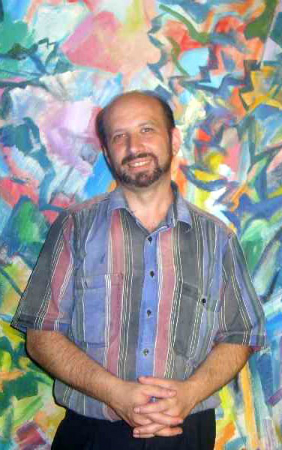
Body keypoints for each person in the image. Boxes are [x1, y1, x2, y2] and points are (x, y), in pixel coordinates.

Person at [11, 91, 266, 450]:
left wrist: (190, 393)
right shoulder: (75, 227)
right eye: (120, 136)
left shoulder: (217, 238)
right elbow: (41, 336)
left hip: (186, 434)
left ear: (173, 139)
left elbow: (241, 335)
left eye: (147, 129)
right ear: (107, 152)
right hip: (93, 435)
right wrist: (115, 394)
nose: (134, 146)